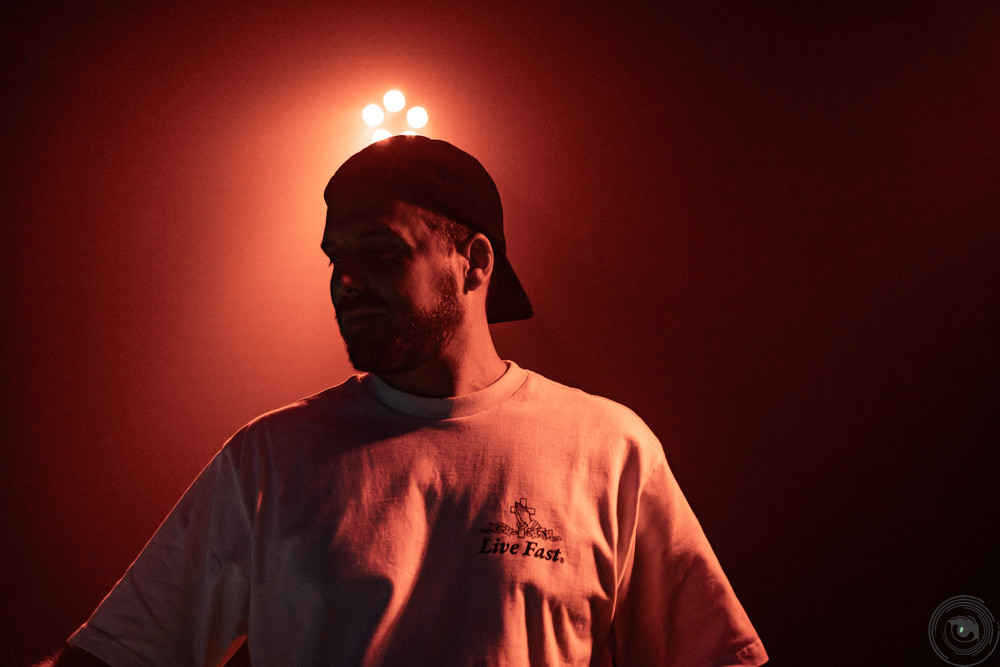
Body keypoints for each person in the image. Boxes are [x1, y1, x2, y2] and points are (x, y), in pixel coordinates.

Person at [40, 136, 768, 666]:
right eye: (337, 258)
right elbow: (118, 656)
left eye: (381, 253)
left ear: (474, 261)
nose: (346, 282)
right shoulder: (269, 459)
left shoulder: (608, 448)